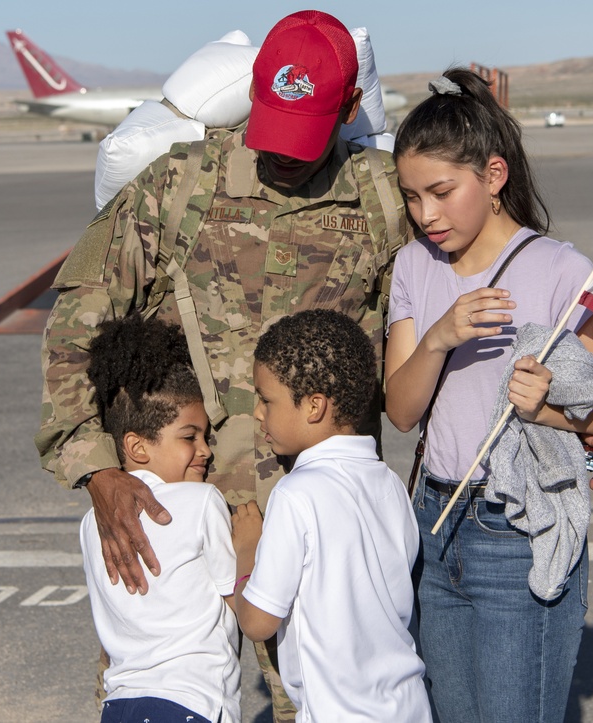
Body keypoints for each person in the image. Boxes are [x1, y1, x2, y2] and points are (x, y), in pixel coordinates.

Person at [34, 10, 412, 720]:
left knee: (320, 705)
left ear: (350, 109)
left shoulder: (381, 197)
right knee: (160, 700)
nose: (282, 157)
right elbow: (77, 324)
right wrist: (98, 469)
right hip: (174, 511)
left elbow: (446, 314)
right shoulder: (178, 185)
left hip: (317, 520)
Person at [384, 68, 593, 722]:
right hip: (435, 523)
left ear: (494, 176)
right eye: (412, 197)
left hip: (518, 529)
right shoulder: (414, 265)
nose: (426, 215)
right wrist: (438, 338)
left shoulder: (561, 269)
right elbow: (401, 407)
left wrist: (551, 406)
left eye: (442, 192)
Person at [231, 309, 432, 722]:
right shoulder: (389, 483)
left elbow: (257, 622)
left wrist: (246, 555)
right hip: (408, 706)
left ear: (314, 406)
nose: (258, 413)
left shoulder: (295, 493)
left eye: (267, 399)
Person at [79, 313, 243, 723]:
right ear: (136, 446)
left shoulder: (91, 523)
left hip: (119, 702)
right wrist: (253, 540)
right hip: (193, 701)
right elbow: (238, 602)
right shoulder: (203, 501)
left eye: (205, 437)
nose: (205, 450)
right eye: (190, 437)